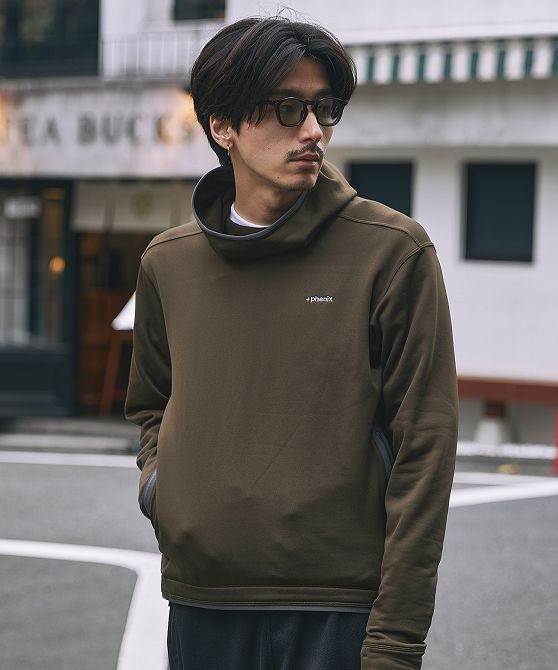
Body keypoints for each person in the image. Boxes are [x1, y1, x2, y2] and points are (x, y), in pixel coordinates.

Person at [125, 16, 458, 670]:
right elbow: (150, 405)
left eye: (323, 108)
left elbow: (426, 446)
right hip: (201, 602)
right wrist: (162, 489)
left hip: (338, 609)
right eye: (287, 107)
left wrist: (396, 641)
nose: (313, 130)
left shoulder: (393, 252)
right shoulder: (168, 262)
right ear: (222, 125)